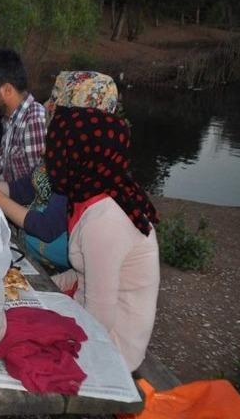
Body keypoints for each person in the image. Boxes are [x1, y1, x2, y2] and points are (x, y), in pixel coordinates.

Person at [45, 105, 160, 371]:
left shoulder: (105, 221)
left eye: (55, 148)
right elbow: (85, 274)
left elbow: (99, 319)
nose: (47, 155)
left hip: (112, 348)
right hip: (95, 324)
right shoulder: (96, 194)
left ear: (78, 155)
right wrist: (40, 288)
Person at [0, 71, 120, 270]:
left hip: (54, 269)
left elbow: (48, 228)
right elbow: (24, 189)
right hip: (28, 252)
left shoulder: (86, 165)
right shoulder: (64, 145)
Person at [0, 49, 46, 183]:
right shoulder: (9, 118)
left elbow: (35, 190)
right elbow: (3, 172)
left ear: (7, 90)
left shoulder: (34, 120)